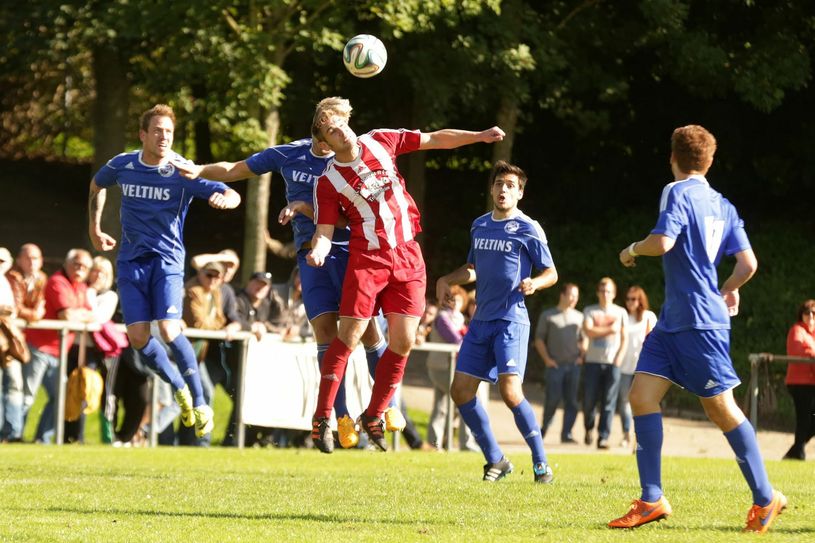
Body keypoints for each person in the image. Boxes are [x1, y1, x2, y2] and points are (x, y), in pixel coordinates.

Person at [172, 115, 397, 451]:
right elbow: (236, 169)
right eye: (326, 133)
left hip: (352, 252)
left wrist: (303, 208)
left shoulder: (353, 157)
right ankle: (342, 417)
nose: (332, 140)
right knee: (324, 331)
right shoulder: (289, 154)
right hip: (311, 256)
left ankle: (385, 407)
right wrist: (199, 169)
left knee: (366, 331)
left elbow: (360, 211)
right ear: (317, 133)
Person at [609, 125, 785, 533]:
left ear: (673, 157)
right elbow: (748, 264)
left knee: (721, 408)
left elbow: (664, 242)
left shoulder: (677, 191)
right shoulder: (722, 204)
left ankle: (765, 497)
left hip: (698, 322)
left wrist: (632, 250)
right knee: (641, 396)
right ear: (709, 161)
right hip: (677, 319)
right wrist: (727, 289)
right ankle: (651, 499)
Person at [307, 96, 505, 452]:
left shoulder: (381, 140)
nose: (338, 131)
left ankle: (374, 413)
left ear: (349, 119)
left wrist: (479, 136)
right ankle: (322, 417)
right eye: (329, 131)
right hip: (367, 259)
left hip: (408, 255)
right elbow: (323, 231)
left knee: (404, 341)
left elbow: (436, 138)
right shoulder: (329, 181)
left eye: (339, 122)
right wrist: (318, 251)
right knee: (349, 335)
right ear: (324, 144)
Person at [88, 103, 241, 440]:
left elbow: (229, 192)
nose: (164, 137)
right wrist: (95, 229)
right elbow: (97, 186)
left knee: (170, 330)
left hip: (168, 263)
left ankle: (201, 403)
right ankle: (178, 388)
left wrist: (226, 199)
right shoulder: (123, 165)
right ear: (143, 134)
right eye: (157, 130)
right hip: (130, 263)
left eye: (169, 132)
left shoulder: (182, 170)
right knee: (139, 338)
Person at [437, 160, 557, 483]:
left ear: (520, 192)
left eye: (510, 185)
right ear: (491, 189)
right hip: (480, 322)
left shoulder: (528, 228)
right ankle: (495, 459)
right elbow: (473, 269)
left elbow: (551, 273)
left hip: (511, 320)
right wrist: (447, 279)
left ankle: (541, 462)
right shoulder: (479, 225)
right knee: (460, 391)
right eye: (498, 184)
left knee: (510, 392)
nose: (503, 190)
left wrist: (536, 283)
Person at [24, 249, 96, 443]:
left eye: (84, 266)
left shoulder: (80, 287)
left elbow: (92, 315)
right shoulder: (58, 282)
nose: (80, 269)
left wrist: (79, 314)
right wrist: (81, 314)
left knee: (61, 396)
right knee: (27, 395)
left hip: (58, 352)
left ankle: (42, 439)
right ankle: (11, 435)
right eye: (76, 264)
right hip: (39, 348)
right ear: (66, 263)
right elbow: (67, 315)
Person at [426, 286, 480, 451]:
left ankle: (434, 444)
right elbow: (456, 340)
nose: (455, 303)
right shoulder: (443, 318)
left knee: (441, 406)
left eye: (458, 300)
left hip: (451, 367)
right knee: (464, 401)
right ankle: (466, 443)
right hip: (442, 367)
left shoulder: (459, 319)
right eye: (452, 299)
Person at [535, 282, 585, 444]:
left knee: (572, 401)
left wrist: (581, 356)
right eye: (571, 295)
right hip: (555, 366)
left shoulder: (579, 317)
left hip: (573, 366)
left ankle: (567, 434)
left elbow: (584, 339)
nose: (574, 299)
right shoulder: (548, 315)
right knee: (552, 399)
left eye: (576, 296)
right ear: (562, 295)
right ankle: (543, 430)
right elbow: (539, 340)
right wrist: (547, 360)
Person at [582, 277, 627, 449]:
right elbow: (589, 331)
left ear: (614, 294)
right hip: (592, 361)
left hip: (613, 363)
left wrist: (619, 358)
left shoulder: (620, 312)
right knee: (589, 400)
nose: (605, 294)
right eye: (602, 290)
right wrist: (610, 329)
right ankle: (588, 428)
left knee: (609, 401)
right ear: (597, 293)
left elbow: (624, 337)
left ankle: (603, 437)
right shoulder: (590, 310)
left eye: (608, 291)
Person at [618, 285, 657, 448]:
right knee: (623, 401)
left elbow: (655, 340)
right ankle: (627, 433)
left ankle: (639, 438)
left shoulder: (649, 316)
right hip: (624, 366)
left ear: (641, 300)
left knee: (640, 402)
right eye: (628, 299)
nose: (630, 302)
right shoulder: (623, 317)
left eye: (634, 299)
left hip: (643, 367)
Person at [783, 299, 815, 460]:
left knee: (812, 420)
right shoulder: (797, 330)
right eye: (807, 312)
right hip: (799, 382)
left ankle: (794, 451)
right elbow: (797, 350)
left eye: (813, 313)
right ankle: (799, 453)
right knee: (804, 418)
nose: (810, 316)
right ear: (801, 315)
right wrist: (812, 352)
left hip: (813, 382)